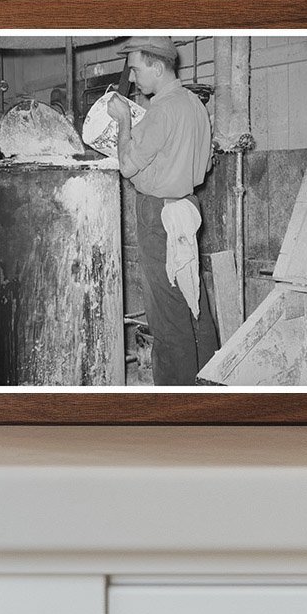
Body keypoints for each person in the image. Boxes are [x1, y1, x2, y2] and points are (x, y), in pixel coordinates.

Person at [107, 36, 219, 385]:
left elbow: (127, 166)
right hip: (187, 206)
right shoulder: (193, 105)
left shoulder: (162, 110)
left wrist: (124, 119)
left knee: (166, 311)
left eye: (137, 69)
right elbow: (201, 166)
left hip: (158, 214)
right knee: (192, 297)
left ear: (156, 67)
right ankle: (209, 380)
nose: (134, 76)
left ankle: (175, 397)